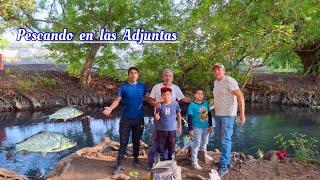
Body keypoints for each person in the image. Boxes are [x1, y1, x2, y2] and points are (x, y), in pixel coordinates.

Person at [103, 67, 149, 175]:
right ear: (128, 75)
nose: (133, 75)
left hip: (139, 119)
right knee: (123, 142)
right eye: (131, 73)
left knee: (136, 141)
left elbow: (149, 98)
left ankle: (136, 159)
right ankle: (119, 164)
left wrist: (159, 103)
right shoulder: (124, 87)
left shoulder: (142, 86)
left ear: (138, 75)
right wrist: (110, 108)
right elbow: (117, 100)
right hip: (126, 120)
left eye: (135, 73)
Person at [147, 68, 190, 168]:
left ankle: (167, 163)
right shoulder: (157, 87)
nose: (168, 77)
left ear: (172, 77)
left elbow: (183, 99)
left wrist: (196, 101)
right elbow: (150, 99)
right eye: (166, 75)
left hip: (171, 123)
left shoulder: (176, 88)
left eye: (170, 76)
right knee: (155, 142)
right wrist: (155, 105)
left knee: (170, 144)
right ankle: (151, 162)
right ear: (163, 76)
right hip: (158, 121)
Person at [211, 63, 246, 177]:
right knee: (221, 139)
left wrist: (242, 114)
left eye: (219, 69)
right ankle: (224, 161)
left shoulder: (229, 80)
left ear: (224, 70)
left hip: (228, 115)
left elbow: (240, 96)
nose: (217, 71)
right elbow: (217, 98)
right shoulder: (216, 83)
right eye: (215, 70)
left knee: (225, 140)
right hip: (218, 114)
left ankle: (224, 166)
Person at [154, 87, 182, 161]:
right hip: (161, 129)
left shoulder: (175, 104)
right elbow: (156, 116)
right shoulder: (159, 105)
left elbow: (179, 114)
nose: (166, 96)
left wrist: (180, 126)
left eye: (168, 94)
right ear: (161, 96)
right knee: (161, 147)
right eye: (164, 94)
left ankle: (171, 161)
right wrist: (156, 117)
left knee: (171, 147)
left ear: (171, 95)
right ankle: (161, 162)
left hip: (172, 129)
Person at [187, 88, 213, 170]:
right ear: (195, 95)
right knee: (196, 143)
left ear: (203, 95)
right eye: (198, 93)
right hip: (196, 127)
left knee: (205, 142)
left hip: (205, 127)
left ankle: (203, 155)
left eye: (201, 94)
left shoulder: (205, 103)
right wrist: (190, 129)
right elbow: (190, 118)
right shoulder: (192, 105)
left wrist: (210, 125)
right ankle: (194, 161)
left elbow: (209, 114)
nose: (200, 95)